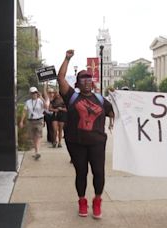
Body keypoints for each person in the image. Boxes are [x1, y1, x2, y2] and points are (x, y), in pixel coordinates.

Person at [57, 49, 114, 219]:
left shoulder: (102, 101)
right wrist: (67, 58)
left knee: (98, 172)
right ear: (78, 83)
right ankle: (82, 201)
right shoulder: (72, 97)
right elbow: (60, 78)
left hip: (97, 142)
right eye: (83, 78)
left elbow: (116, 113)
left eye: (89, 78)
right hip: (76, 142)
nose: (87, 81)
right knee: (81, 172)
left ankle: (97, 201)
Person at [19, 86, 48, 160]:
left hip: (39, 120)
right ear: (30, 94)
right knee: (33, 137)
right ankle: (36, 151)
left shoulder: (40, 101)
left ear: (37, 93)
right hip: (31, 121)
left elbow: (46, 107)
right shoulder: (28, 102)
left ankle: (38, 152)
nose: (34, 94)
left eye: (35, 92)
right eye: (32, 93)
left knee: (38, 136)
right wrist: (22, 121)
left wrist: (41, 97)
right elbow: (24, 112)